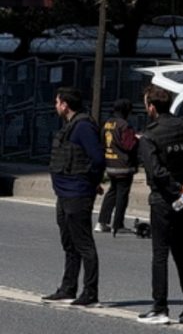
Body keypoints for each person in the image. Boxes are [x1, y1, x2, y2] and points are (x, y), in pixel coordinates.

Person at [136, 84, 183, 325]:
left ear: (151, 107)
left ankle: (160, 308)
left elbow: (156, 172)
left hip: (164, 199)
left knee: (160, 254)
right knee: (180, 249)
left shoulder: (150, 136)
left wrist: (177, 188)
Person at [42, 86, 104, 307]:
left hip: (78, 193)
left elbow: (98, 159)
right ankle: (68, 288)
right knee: (69, 244)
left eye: (57, 102)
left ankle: (90, 292)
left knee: (84, 244)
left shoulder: (83, 127)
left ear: (65, 104)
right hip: (64, 194)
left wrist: (91, 182)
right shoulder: (71, 126)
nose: (55, 105)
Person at [96, 98, 138, 236]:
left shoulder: (108, 123)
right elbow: (129, 145)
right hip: (123, 166)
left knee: (112, 192)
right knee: (122, 195)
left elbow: (102, 142)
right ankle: (118, 224)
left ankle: (102, 222)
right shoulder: (124, 125)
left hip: (110, 164)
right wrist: (138, 140)